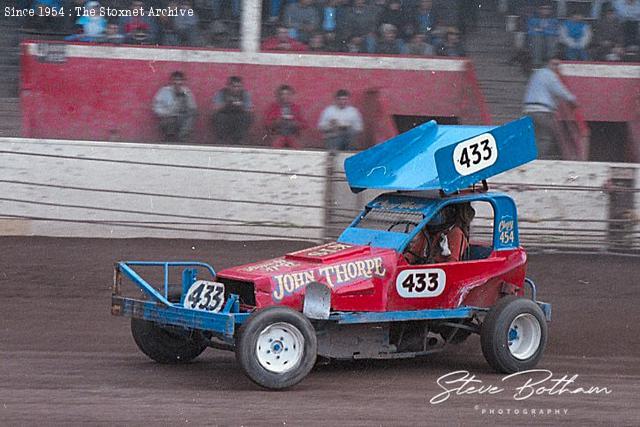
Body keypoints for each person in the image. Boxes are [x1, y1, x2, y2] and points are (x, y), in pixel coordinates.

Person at [522, 58, 578, 159]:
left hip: (529, 109)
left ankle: (527, 157)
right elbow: (559, 90)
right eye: (555, 64)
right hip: (543, 110)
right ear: (548, 64)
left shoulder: (536, 74)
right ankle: (536, 160)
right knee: (545, 137)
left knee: (535, 136)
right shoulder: (549, 75)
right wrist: (573, 100)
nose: (556, 67)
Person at [404, 203, 475, 265]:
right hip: (423, 270)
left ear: (448, 213)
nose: (433, 216)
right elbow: (414, 253)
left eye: (437, 212)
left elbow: (452, 262)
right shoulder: (425, 231)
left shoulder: (455, 233)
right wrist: (403, 260)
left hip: (441, 273)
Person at [152, 71, 197, 142]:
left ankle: (183, 138)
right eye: (175, 80)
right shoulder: (164, 91)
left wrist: (184, 98)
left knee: (190, 117)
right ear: (171, 81)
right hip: (168, 118)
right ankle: (169, 139)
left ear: (183, 81)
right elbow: (156, 107)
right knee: (169, 122)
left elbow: (193, 108)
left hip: (182, 118)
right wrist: (167, 113)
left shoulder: (187, 92)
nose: (177, 83)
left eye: (180, 80)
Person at [212, 76, 253, 144]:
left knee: (246, 117)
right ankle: (221, 140)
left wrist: (241, 106)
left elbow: (249, 110)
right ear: (228, 86)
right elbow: (215, 109)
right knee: (218, 117)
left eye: (239, 86)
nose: (236, 89)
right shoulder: (221, 93)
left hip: (239, 116)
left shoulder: (245, 94)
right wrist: (227, 104)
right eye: (234, 86)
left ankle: (239, 140)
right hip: (225, 116)